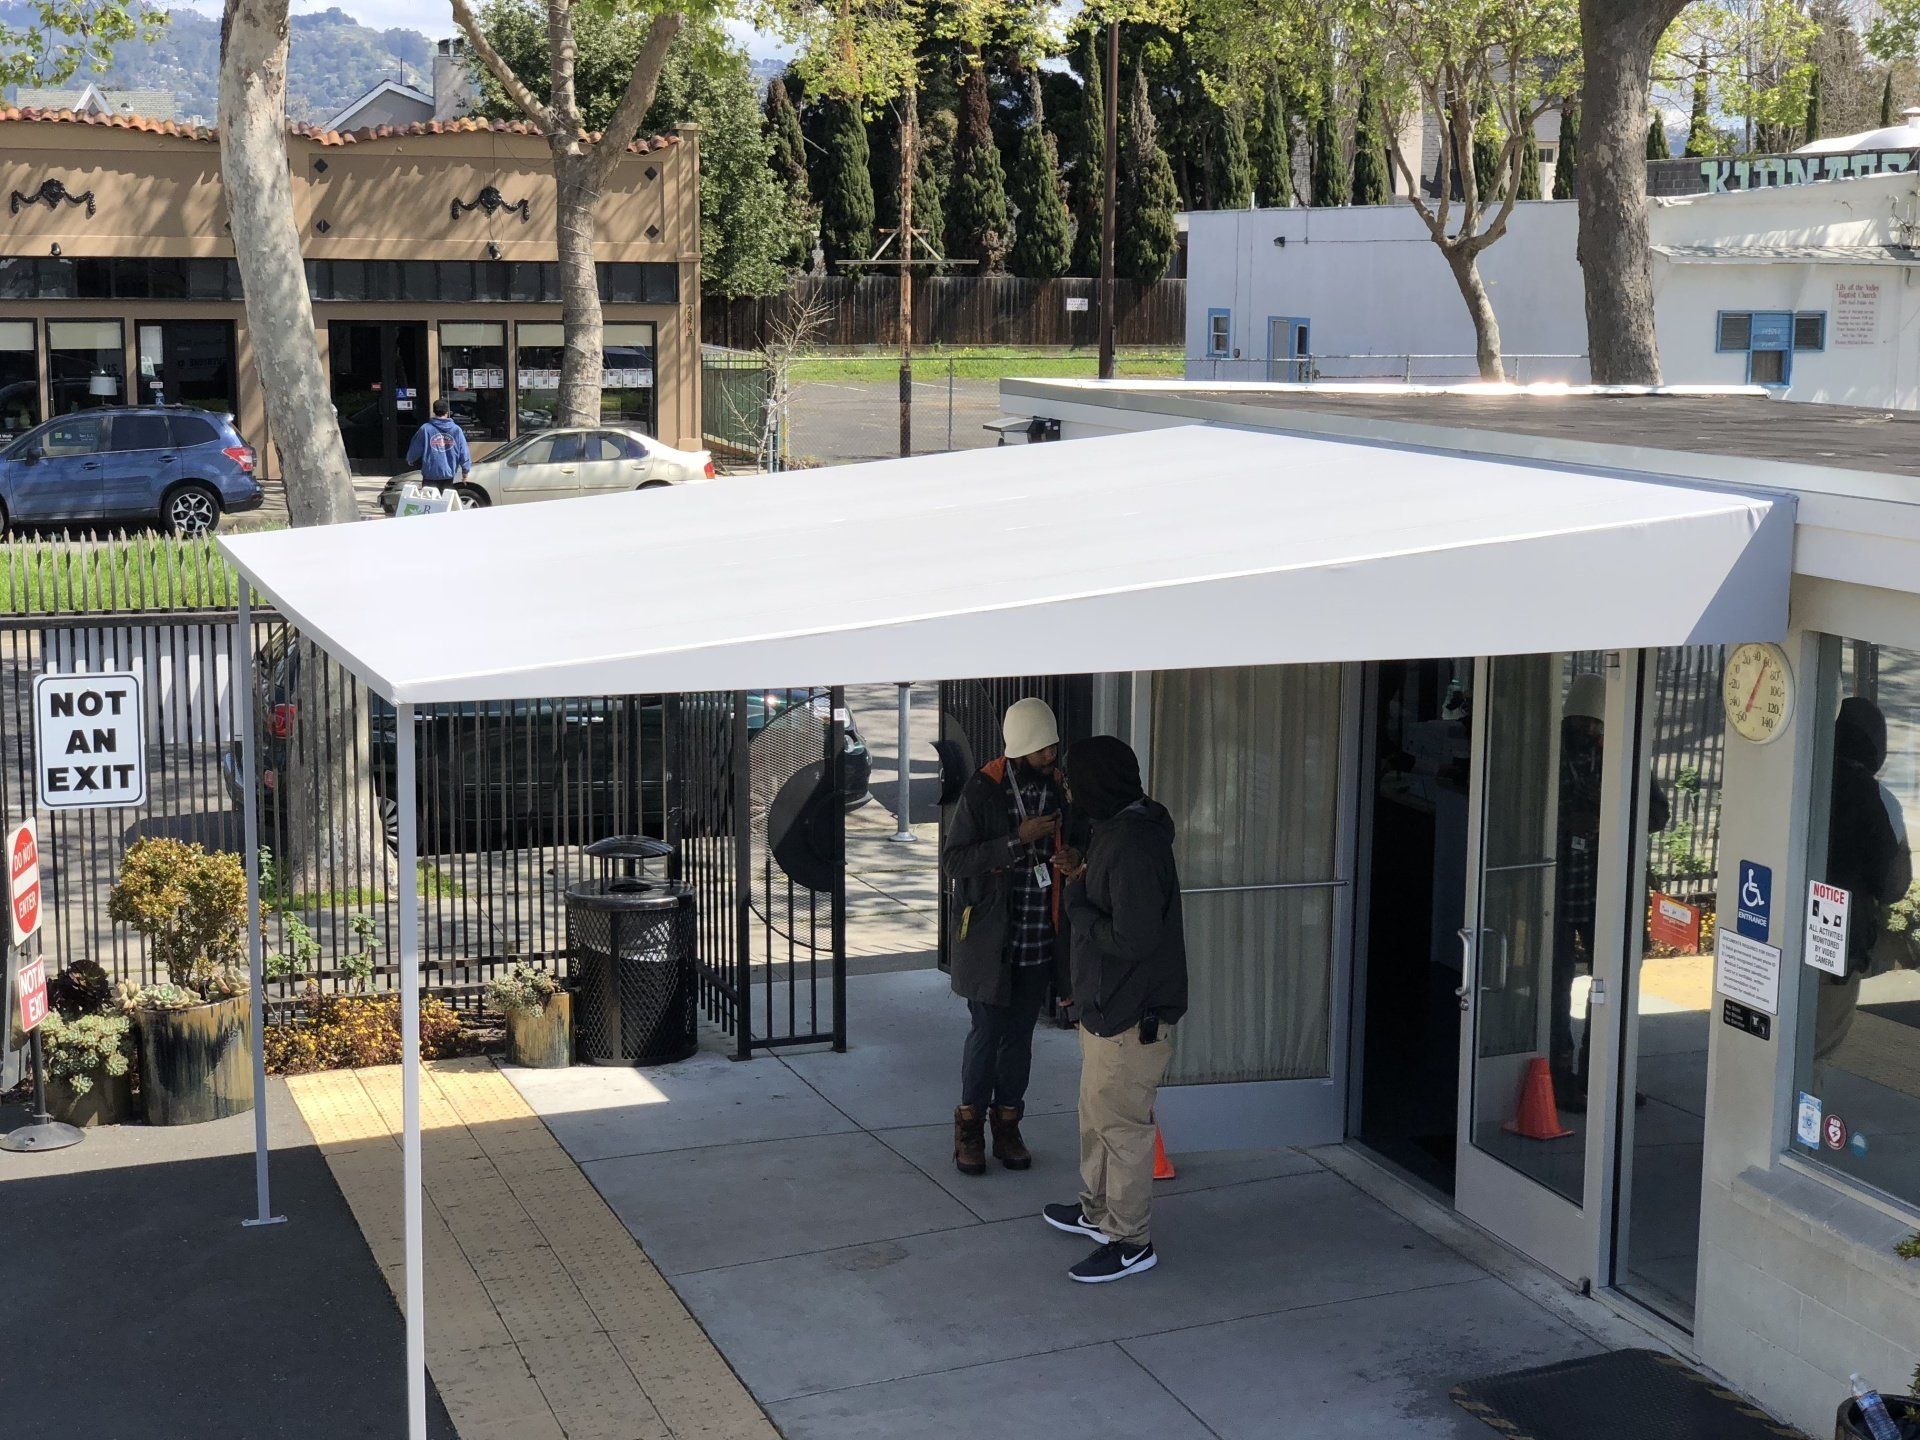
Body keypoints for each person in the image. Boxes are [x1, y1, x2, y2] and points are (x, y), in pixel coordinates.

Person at [1044, 735, 1187, 1284]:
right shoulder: (1115, 828)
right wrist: (1083, 873)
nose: (1067, 790)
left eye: (1073, 780)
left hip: (1132, 1013)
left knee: (1122, 1129)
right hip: (1107, 1007)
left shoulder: (1134, 844)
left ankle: (1131, 1241)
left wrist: (1078, 906)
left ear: (1097, 783)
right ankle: (1098, 1213)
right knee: (1097, 1117)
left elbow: (1134, 937)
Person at [942, 697, 1079, 1176]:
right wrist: (1016, 838)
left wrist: (1072, 857)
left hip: (1039, 933)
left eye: (1053, 747)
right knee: (986, 1034)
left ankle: (1008, 1125)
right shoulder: (984, 788)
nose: (1051, 755)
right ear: (1020, 748)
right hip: (989, 941)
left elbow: (1079, 839)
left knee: (1019, 1037)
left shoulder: (1060, 787)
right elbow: (955, 861)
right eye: (1042, 749)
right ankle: (969, 1129)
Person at [1549, 671, 1668, 1113]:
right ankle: (1558, 1076)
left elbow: (1658, 814)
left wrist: (1609, 813)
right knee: (1555, 986)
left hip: (1608, 891)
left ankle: (1598, 1073)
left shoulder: (1623, 758)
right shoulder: (1549, 756)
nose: (1586, 732)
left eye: (1593, 725)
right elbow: (1522, 808)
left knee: (1609, 985)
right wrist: (1566, 820)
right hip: (1558, 891)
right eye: (1579, 724)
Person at [1815, 696, 1912, 1072]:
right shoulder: (1880, 799)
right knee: (1815, 1050)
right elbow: (1894, 886)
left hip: (1775, 936)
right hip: (1835, 944)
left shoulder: (1801, 778)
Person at [405, 398, 471, 490]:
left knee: (430, 498)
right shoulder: (456, 430)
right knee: (445, 497)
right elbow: (463, 451)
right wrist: (465, 470)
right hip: (448, 474)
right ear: (447, 412)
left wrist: (410, 459)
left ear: (434, 411)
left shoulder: (425, 429)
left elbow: (416, 447)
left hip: (430, 474)